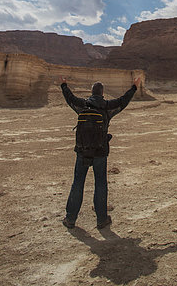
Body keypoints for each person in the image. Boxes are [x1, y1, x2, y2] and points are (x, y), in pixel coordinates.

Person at [60, 77, 140, 230]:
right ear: (102, 93)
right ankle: (101, 219)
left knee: (78, 183)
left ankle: (70, 219)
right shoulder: (107, 106)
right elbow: (124, 100)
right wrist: (134, 87)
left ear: (91, 92)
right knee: (100, 184)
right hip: (100, 151)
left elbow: (69, 98)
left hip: (82, 151)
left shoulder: (83, 105)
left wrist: (63, 84)